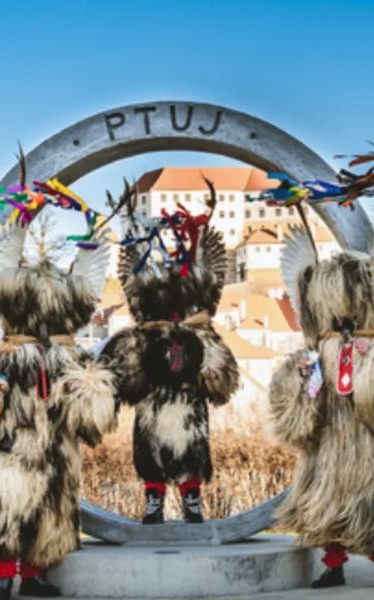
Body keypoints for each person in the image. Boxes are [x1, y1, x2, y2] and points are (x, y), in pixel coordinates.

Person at [0, 216, 117, 600]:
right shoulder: (1, 353)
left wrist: (83, 389)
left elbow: (97, 407)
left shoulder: (69, 356)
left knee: (50, 510)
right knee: (5, 509)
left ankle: (35, 574)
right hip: (11, 445)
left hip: (57, 448)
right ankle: (2, 576)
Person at [268, 216, 374, 590]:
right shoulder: (321, 347)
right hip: (329, 438)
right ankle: (333, 566)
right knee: (326, 500)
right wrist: (298, 374)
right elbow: (296, 393)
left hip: (368, 440)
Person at [101, 182, 238, 524]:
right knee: (151, 447)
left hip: (188, 390)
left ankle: (192, 500)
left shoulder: (199, 313)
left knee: (192, 446)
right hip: (153, 388)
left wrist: (210, 371)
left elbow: (220, 368)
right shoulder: (147, 312)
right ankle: (154, 502)